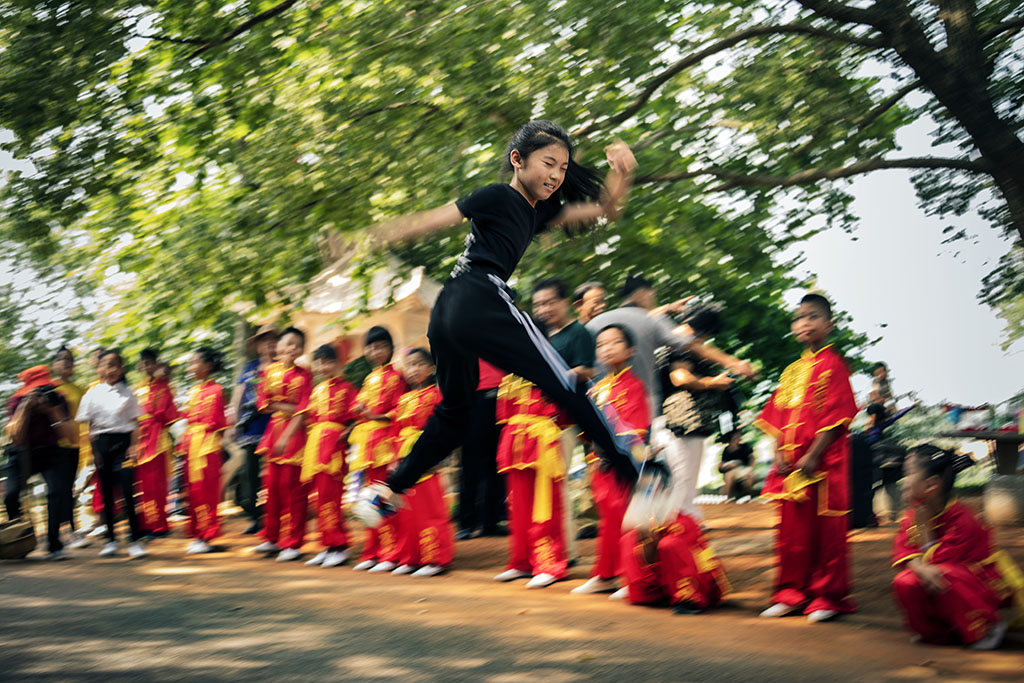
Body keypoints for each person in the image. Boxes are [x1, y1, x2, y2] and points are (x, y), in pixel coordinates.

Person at [353, 121, 642, 527]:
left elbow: (606, 209)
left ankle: (387, 491)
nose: (557, 175)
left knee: (456, 413)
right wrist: (370, 238)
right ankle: (638, 475)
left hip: (448, 311)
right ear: (517, 160)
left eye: (563, 168)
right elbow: (432, 219)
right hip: (479, 295)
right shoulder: (496, 195)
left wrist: (622, 174)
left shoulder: (538, 212)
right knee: (565, 382)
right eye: (548, 163)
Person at [755, 294, 858, 622]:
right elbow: (777, 415)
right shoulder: (791, 371)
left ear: (829, 324)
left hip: (822, 465)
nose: (804, 323)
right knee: (792, 533)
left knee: (826, 532)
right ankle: (791, 593)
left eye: (813, 316)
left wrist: (814, 455)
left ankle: (826, 596)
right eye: (799, 318)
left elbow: (838, 416)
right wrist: (778, 452)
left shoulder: (834, 365)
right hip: (791, 468)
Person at [892, 444, 1024, 649]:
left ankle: (987, 627)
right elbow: (906, 549)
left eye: (908, 474)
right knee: (905, 581)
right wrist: (919, 567)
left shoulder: (963, 519)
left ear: (931, 484)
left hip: (981, 582)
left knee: (944, 574)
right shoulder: (912, 515)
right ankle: (938, 634)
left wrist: (924, 530)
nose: (904, 482)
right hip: (938, 573)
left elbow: (941, 560)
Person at [587, 275, 753, 417]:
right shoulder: (652, 321)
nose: (653, 300)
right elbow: (691, 346)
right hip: (638, 407)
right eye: (652, 294)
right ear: (641, 294)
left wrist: (667, 308)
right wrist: (732, 362)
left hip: (599, 405)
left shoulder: (595, 323)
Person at [572, 324, 650, 596]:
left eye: (615, 342)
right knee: (607, 519)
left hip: (621, 465)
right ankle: (606, 574)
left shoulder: (635, 386)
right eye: (601, 344)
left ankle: (629, 575)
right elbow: (587, 430)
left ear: (631, 350)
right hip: (599, 463)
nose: (607, 348)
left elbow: (635, 430)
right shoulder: (596, 389)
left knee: (623, 517)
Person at [652, 306, 737, 521]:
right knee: (684, 477)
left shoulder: (671, 342)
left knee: (679, 477)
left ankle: (679, 522)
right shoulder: (680, 345)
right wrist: (714, 382)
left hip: (672, 421)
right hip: (682, 421)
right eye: (708, 334)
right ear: (702, 330)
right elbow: (681, 378)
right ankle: (684, 524)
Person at [533, 276, 596, 560]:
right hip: (539, 422)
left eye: (549, 303)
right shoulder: (542, 335)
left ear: (565, 302)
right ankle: (549, 549)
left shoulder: (577, 332)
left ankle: (565, 552)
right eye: (538, 305)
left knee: (557, 485)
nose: (543, 309)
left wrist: (561, 377)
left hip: (564, 421)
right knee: (545, 487)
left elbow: (589, 370)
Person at [493, 371, 570, 589]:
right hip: (516, 446)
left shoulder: (548, 371)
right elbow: (505, 416)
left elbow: (564, 414)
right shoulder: (509, 380)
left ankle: (548, 564)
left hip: (542, 445)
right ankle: (522, 561)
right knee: (518, 508)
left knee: (544, 508)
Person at [619, 461, 730, 614]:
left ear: (666, 491)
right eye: (643, 489)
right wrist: (646, 541)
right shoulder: (644, 513)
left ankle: (689, 598)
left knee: (669, 544)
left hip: (702, 583)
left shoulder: (683, 523)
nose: (647, 495)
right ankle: (646, 595)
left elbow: (694, 564)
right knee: (629, 539)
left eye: (652, 489)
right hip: (664, 581)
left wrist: (653, 539)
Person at [387, 348, 455, 577]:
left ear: (432, 368)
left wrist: (438, 456)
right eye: (409, 365)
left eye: (418, 364)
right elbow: (395, 431)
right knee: (407, 511)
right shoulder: (403, 400)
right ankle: (411, 557)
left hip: (427, 457)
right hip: (405, 460)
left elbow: (445, 428)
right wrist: (394, 460)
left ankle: (435, 558)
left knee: (430, 509)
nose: (413, 369)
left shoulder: (437, 395)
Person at [75, 350, 147, 559]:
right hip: (102, 445)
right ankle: (111, 541)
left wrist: (134, 446)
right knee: (106, 494)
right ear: (99, 368)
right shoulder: (91, 394)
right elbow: (88, 427)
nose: (111, 369)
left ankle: (135, 540)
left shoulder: (129, 394)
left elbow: (135, 424)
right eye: (106, 365)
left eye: (115, 365)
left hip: (123, 446)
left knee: (127, 491)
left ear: (122, 369)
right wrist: (94, 452)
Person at [251, 327, 313, 562]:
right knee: (272, 488)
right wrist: (288, 407)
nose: (292, 348)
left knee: (293, 490)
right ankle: (271, 537)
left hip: (295, 436)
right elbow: (262, 404)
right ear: (278, 346)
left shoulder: (304, 375)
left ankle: (293, 542)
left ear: (302, 350)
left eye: (297, 345)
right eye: (287, 343)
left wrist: (287, 433)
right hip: (273, 434)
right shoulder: (269, 371)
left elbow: (304, 411)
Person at [349, 326, 407, 571]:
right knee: (369, 499)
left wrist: (375, 415)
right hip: (368, 446)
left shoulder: (397, 377)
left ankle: (391, 552)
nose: (376, 351)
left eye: (381, 346)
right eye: (371, 347)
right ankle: (372, 551)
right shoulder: (369, 378)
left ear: (391, 348)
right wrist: (360, 410)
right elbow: (357, 406)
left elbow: (400, 410)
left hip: (386, 443)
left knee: (384, 499)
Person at [4, 365, 76, 560]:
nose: (42, 394)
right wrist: (25, 408)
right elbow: (16, 438)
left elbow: (72, 438)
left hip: (51, 452)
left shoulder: (57, 398)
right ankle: (18, 539)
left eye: (45, 388)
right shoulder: (16, 401)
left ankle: (54, 544)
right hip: (21, 452)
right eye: (37, 390)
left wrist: (54, 412)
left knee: (57, 491)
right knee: (11, 495)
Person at [300, 344, 358, 568]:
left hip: (334, 449)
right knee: (319, 499)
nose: (323, 366)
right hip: (316, 448)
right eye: (319, 362)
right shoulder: (317, 390)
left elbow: (357, 417)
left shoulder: (347, 388)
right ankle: (327, 545)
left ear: (338, 363)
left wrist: (346, 434)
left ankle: (339, 546)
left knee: (331, 499)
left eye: (328, 362)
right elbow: (311, 419)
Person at [228, 324, 278, 535]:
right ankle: (256, 515)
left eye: (273, 340)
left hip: (275, 426)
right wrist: (233, 422)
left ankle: (274, 518)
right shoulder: (249, 368)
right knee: (249, 476)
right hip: (251, 428)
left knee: (274, 475)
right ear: (258, 345)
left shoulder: (282, 368)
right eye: (264, 340)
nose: (269, 344)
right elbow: (238, 396)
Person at [178, 348, 227, 554]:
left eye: (194, 362)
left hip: (207, 447)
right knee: (193, 491)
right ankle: (198, 533)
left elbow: (219, 424)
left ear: (207, 366)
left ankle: (206, 534)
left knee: (206, 490)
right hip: (191, 445)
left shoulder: (216, 390)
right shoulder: (192, 392)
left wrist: (213, 446)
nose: (190, 367)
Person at [455, 359, 506, 540]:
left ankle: (492, 522)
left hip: (501, 393)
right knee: (470, 463)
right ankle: (466, 523)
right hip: (473, 396)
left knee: (496, 463)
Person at [134, 348, 179, 538]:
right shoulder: (139, 387)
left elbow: (165, 414)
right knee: (143, 484)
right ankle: (147, 523)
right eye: (143, 363)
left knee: (156, 483)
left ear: (155, 363)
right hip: (140, 438)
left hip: (156, 438)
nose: (146, 367)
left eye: (149, 363)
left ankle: (159, 524)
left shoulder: (164, 386)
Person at [51, 347, 85, 545]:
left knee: (69, 488)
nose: (65, 363)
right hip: (56, 446)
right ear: (54, 364)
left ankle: (70, 529)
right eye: (61, 359)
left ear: (73, 366)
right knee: (60, 489)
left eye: (69, 360)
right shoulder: (50, 388)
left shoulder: (80, 390)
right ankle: (67, 531)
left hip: (76, 445)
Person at [719, 430, 756, 501]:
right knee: (729, 474)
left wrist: (750, 469)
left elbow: (752, 459)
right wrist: (723, 466)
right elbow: (723, 463)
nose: (738, 438)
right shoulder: (726, 450)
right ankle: (727, 499)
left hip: (744, 469)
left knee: (748, 479)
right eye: (736, 437)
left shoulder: (745, 447)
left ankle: (751, 498)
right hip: (732, 471)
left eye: (739, 436)